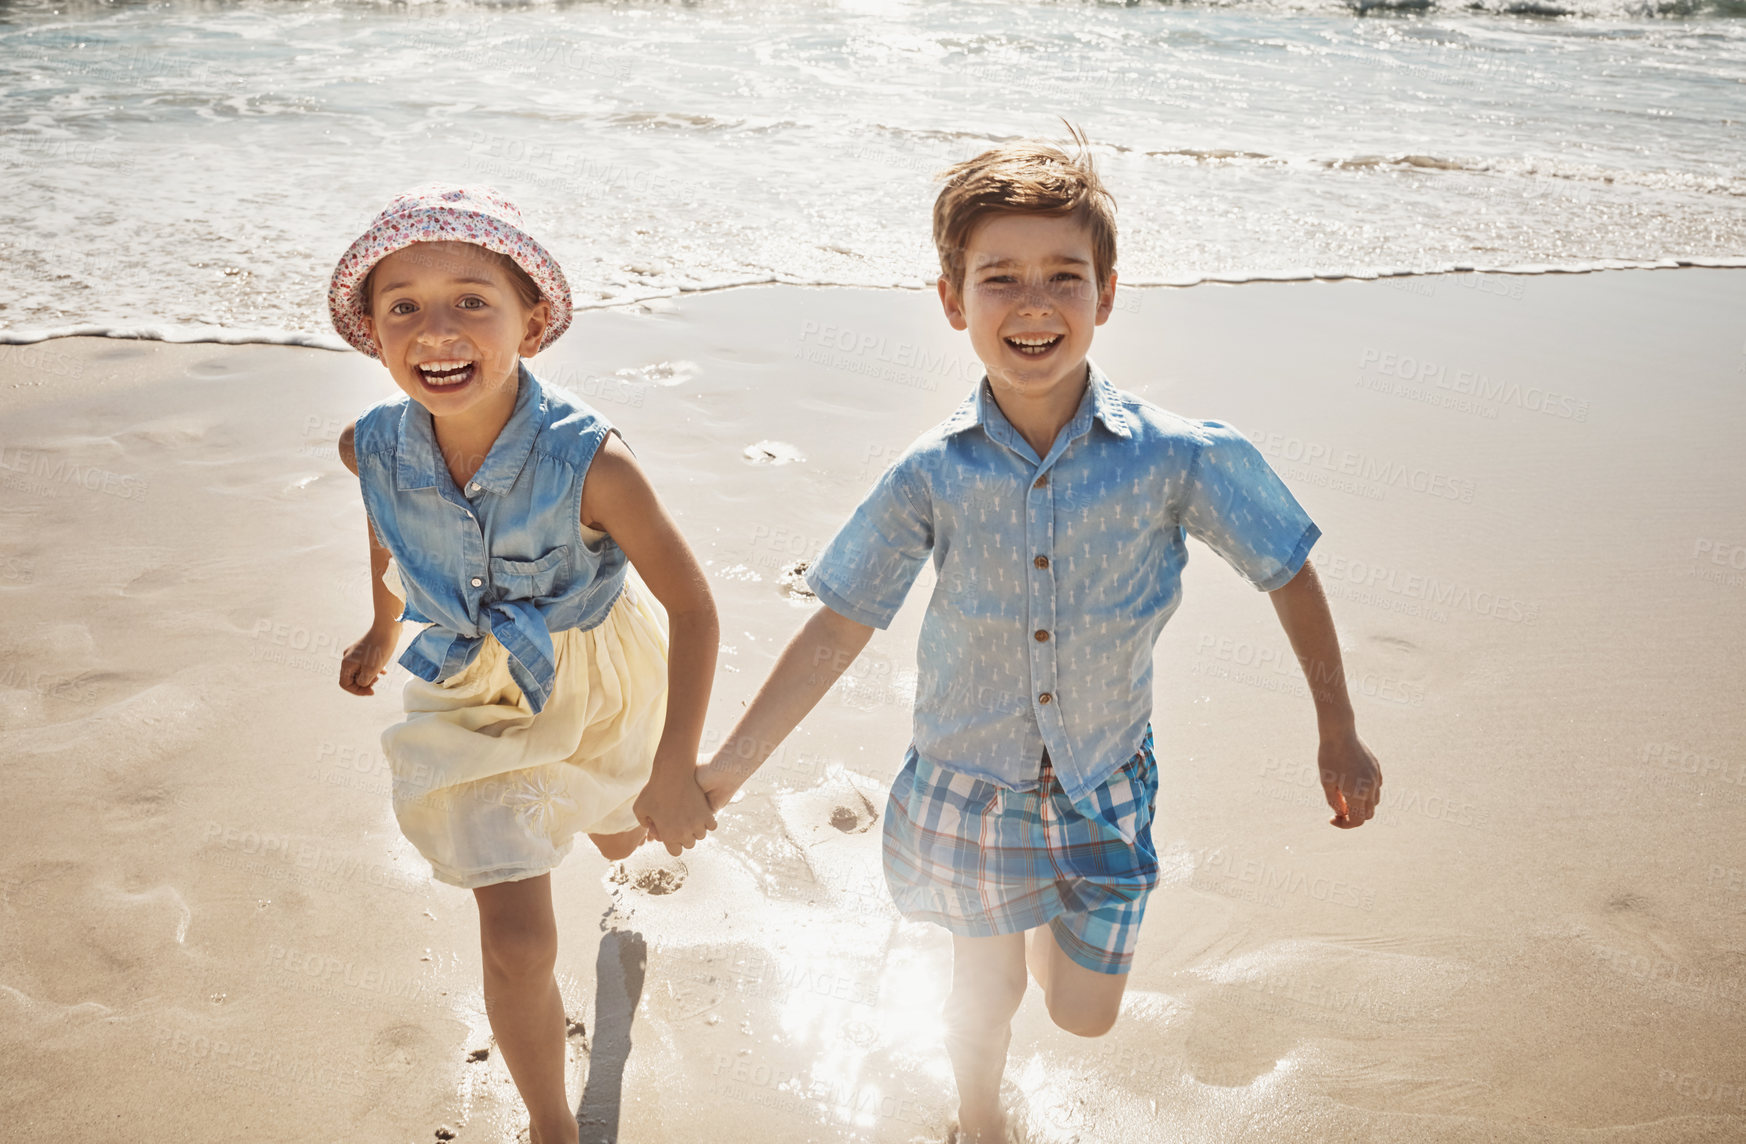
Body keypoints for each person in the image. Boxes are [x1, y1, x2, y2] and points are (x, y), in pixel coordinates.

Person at [694, 135, 1383, 1142]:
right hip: (970, 783)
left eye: (1064, 277)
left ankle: (1044, 949)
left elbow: (1287, 567)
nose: (1033, 304)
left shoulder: (1180, 457)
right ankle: (980, 1117)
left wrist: (1338, 727)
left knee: (1083, 1013)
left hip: (1105, 781)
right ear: (950, 299)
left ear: (1106, 295)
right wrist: (721, 775)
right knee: (984, 990)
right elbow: (837, 626)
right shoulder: (932, 473)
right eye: (999, 278)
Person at [330, 185, 719, 1144]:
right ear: (372, 334)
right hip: (473, 700)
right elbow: (390, 532)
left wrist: (677, 767)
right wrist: (384, 627)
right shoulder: (368, 447)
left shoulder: (593, 465)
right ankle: (554, 1124)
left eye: (472, 300)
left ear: (531, 321)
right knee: (514, 936)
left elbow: (696, 606)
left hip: (603, 684)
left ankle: (616, 834)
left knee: (620, 836)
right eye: (403, 307)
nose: (437, 330)